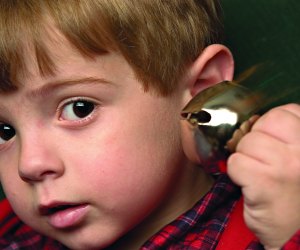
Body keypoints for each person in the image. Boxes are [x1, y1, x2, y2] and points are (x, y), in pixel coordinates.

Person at [0, 0, 299, 249]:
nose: (29, 164)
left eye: (80, 109)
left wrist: (289, 234)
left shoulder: (273, 229)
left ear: (201, 90)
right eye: (4, 131)